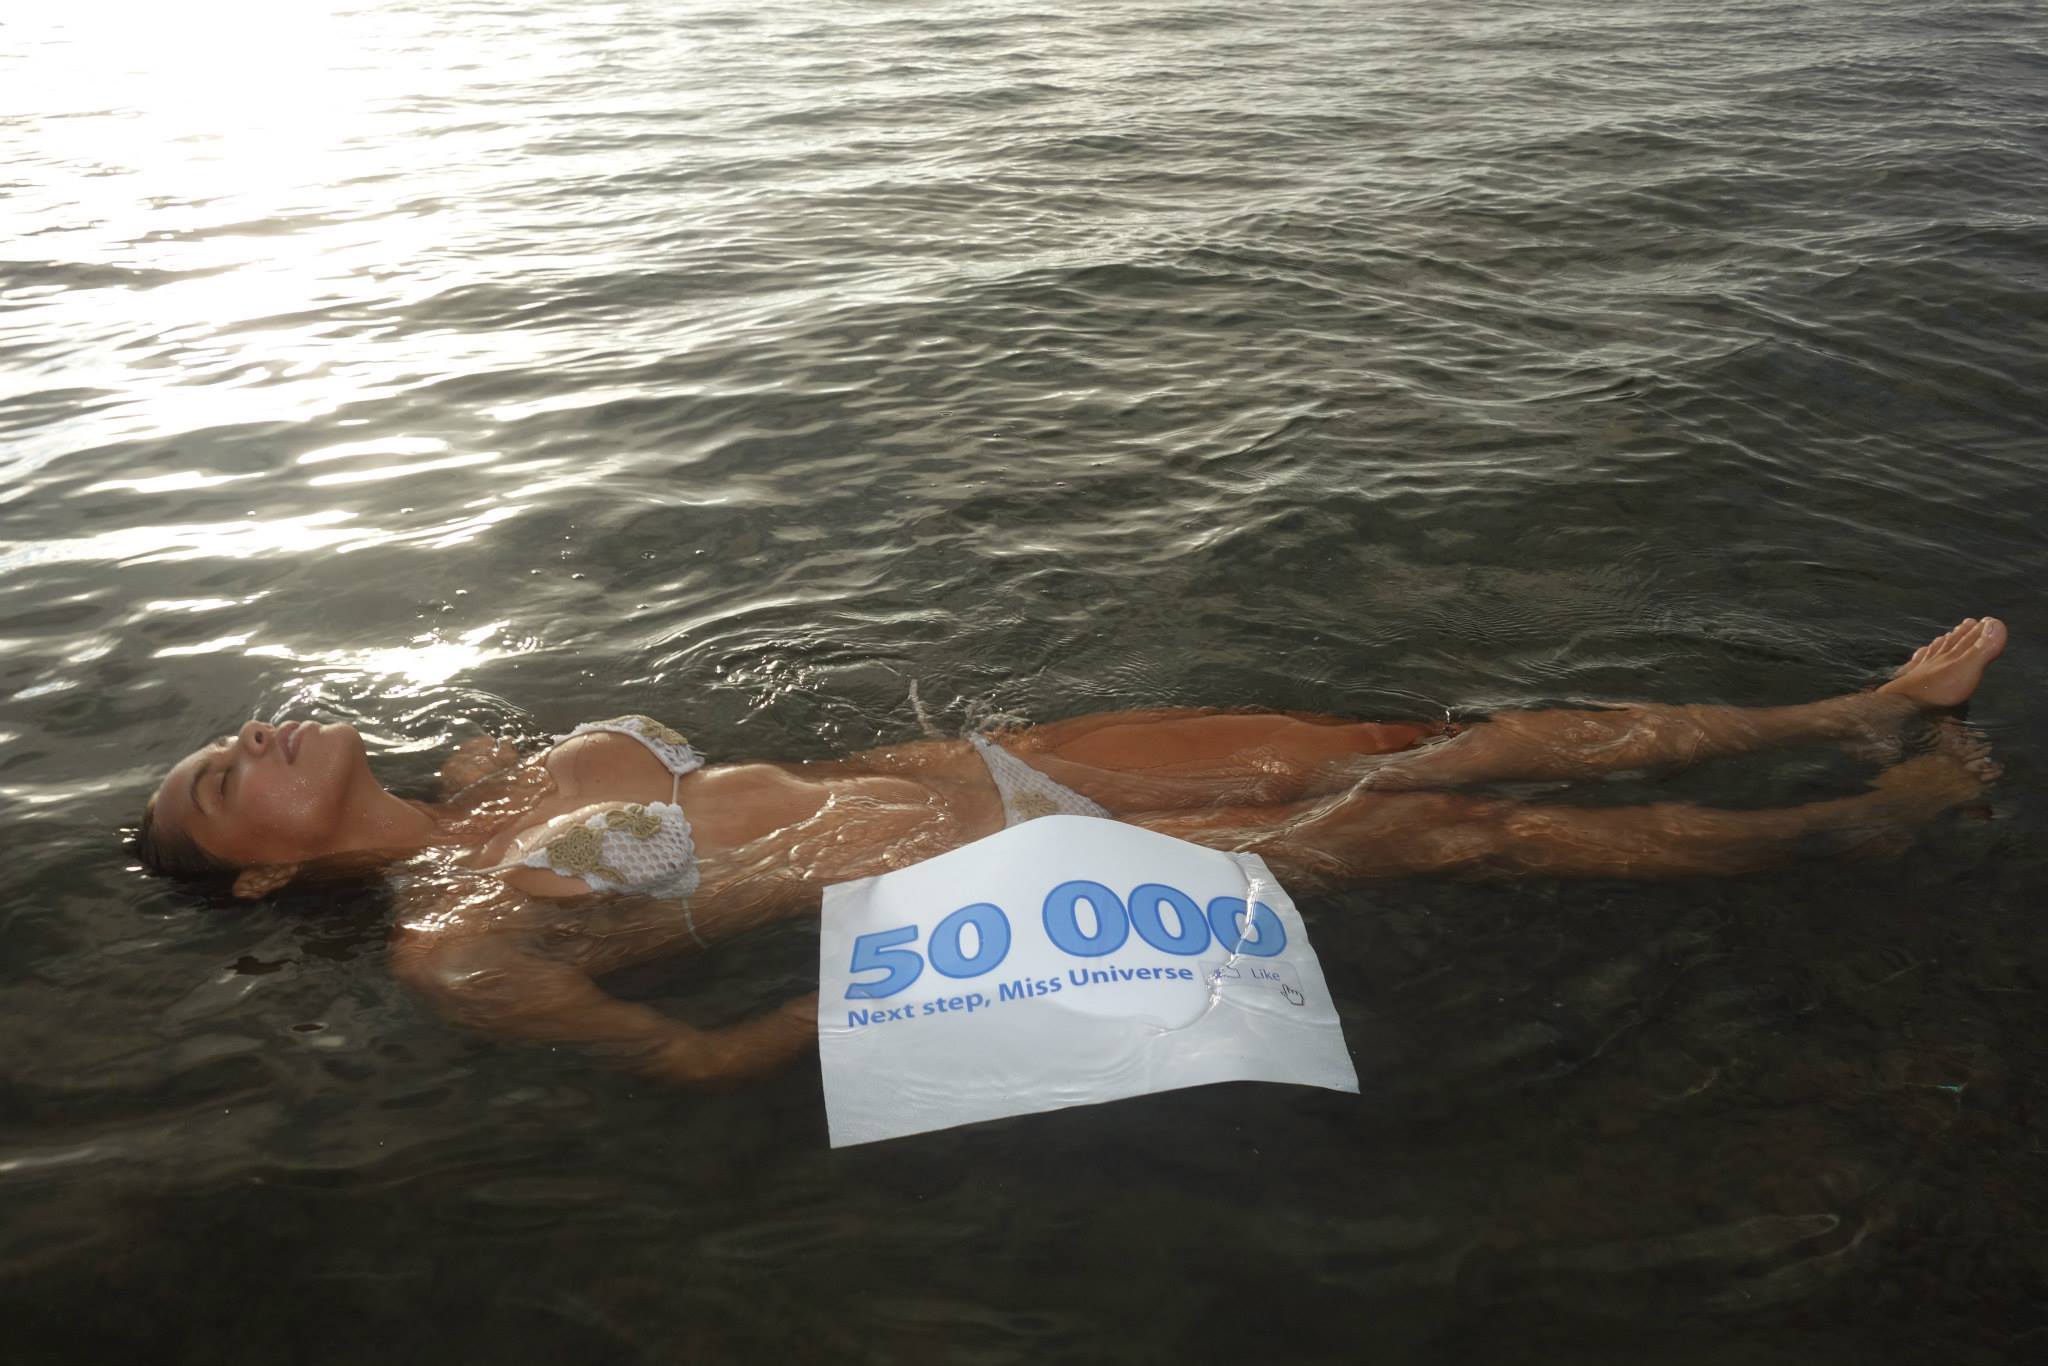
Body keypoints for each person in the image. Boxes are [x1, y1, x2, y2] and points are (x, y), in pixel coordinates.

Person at [135, 617, 2008, 1085]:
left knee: (1418, 741)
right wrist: (909, 994)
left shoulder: (497, 768)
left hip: (1001, 765)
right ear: (266, 879)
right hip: (1010, 881)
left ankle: (1853, 702)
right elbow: (692, 1057)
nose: (250, 742)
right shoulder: (453, 943)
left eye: (230, 737)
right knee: (1464, 825)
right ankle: (1846, 822)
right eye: (223, 786)